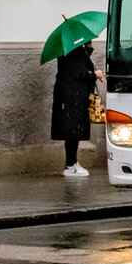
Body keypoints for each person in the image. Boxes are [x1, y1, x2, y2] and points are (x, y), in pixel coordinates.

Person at [51, 43, 103, 176]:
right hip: (73, 97)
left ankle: (72, 163)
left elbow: (79, 66)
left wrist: (88, 49)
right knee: (73, 131)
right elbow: (79, 73)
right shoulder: (75, 51)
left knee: (73, 131)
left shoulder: (70, 49)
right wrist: (94, 74)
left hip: (70, 96)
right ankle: (70, 165)